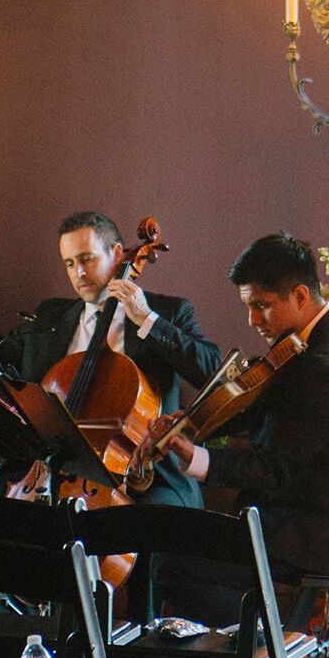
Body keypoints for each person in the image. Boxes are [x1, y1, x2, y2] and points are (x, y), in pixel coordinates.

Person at [184, 232, 329, 598]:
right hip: (307, 518)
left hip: (317, 537)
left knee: (176, 559)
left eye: (262, 306)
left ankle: (239, 653)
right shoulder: (319, 338)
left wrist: (196, 458)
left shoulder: (324, 368)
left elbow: (274, 470)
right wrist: (193, 423)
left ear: (301, 296)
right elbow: (261, 404)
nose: (252, 320)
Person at [19, 209, 223, 506]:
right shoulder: (52, 316)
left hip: (149, 476)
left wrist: (148, 320)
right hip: (58, 472)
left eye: (87, 259)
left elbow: (211, 371)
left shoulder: (170, 312)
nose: (79, 273)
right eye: (70, 263)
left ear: (116, 254)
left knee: (147, 521)